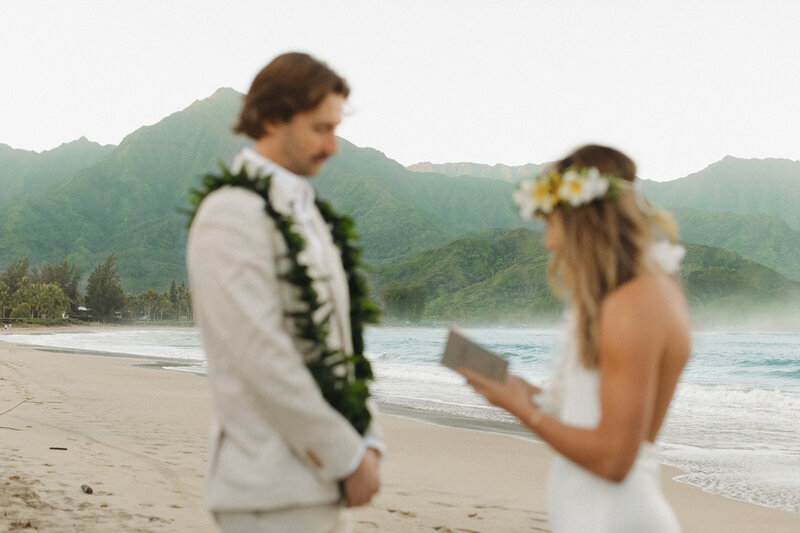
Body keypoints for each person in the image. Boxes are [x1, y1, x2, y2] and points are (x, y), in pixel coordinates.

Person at [186, 52, 384, 533]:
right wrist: (346, 458)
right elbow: (261, 356)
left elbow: (344, 344)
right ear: (273, 118)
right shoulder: (229, 213)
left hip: (323, 488)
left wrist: (369, 440)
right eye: (320, 129)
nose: (333, 146)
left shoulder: (312, 215)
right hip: (268, 489)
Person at [460, 145, 690, 533]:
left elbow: (615, 459)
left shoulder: (633, 305)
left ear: (585, 220)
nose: (549, 242)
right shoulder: (634, 296)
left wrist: (523, 410)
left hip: (615, 518)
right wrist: (518, 390)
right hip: (594, 515)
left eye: (552, 224)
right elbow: (593, 419)